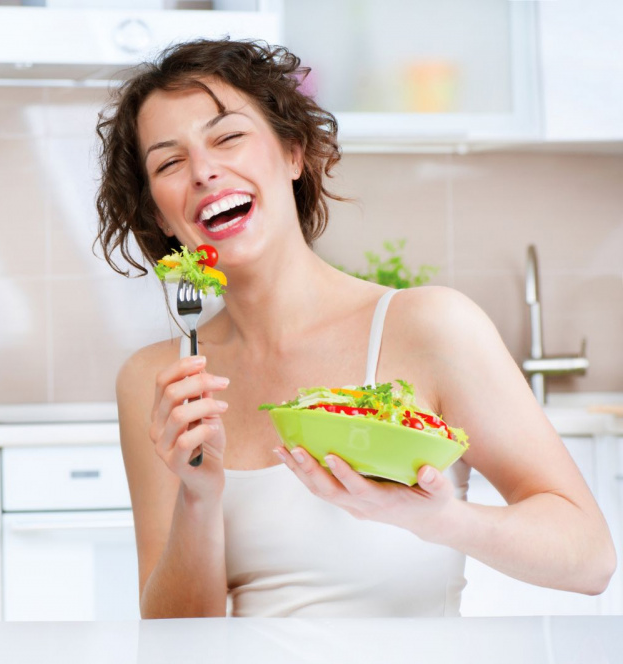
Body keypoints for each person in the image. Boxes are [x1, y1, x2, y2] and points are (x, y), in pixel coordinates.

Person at [94, 39, 616, 618]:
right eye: (169, 162)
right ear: (161, 215)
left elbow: (589, 558)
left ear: (293, 153)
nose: (204, 170)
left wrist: (442, 520)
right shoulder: (156, 380)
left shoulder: (430, 327)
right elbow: (176, 642)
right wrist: (198, 498)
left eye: (228, 137)